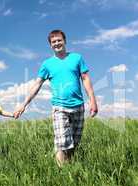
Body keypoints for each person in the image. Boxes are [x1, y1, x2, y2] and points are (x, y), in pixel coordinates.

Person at [14, 30, 98, 167]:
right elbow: (37, 84)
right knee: (62, 142)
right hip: (59, 107)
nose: (57, 43)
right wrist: (24, 104)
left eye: (59, 40)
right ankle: (61, 173)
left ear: (65, 41)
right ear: (50, 45)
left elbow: (86, 78)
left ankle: (69, 169)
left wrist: (93, 101)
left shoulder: (77, 58)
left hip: (78, 105)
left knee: (74, 144)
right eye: (53, 42)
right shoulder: (47, 64)